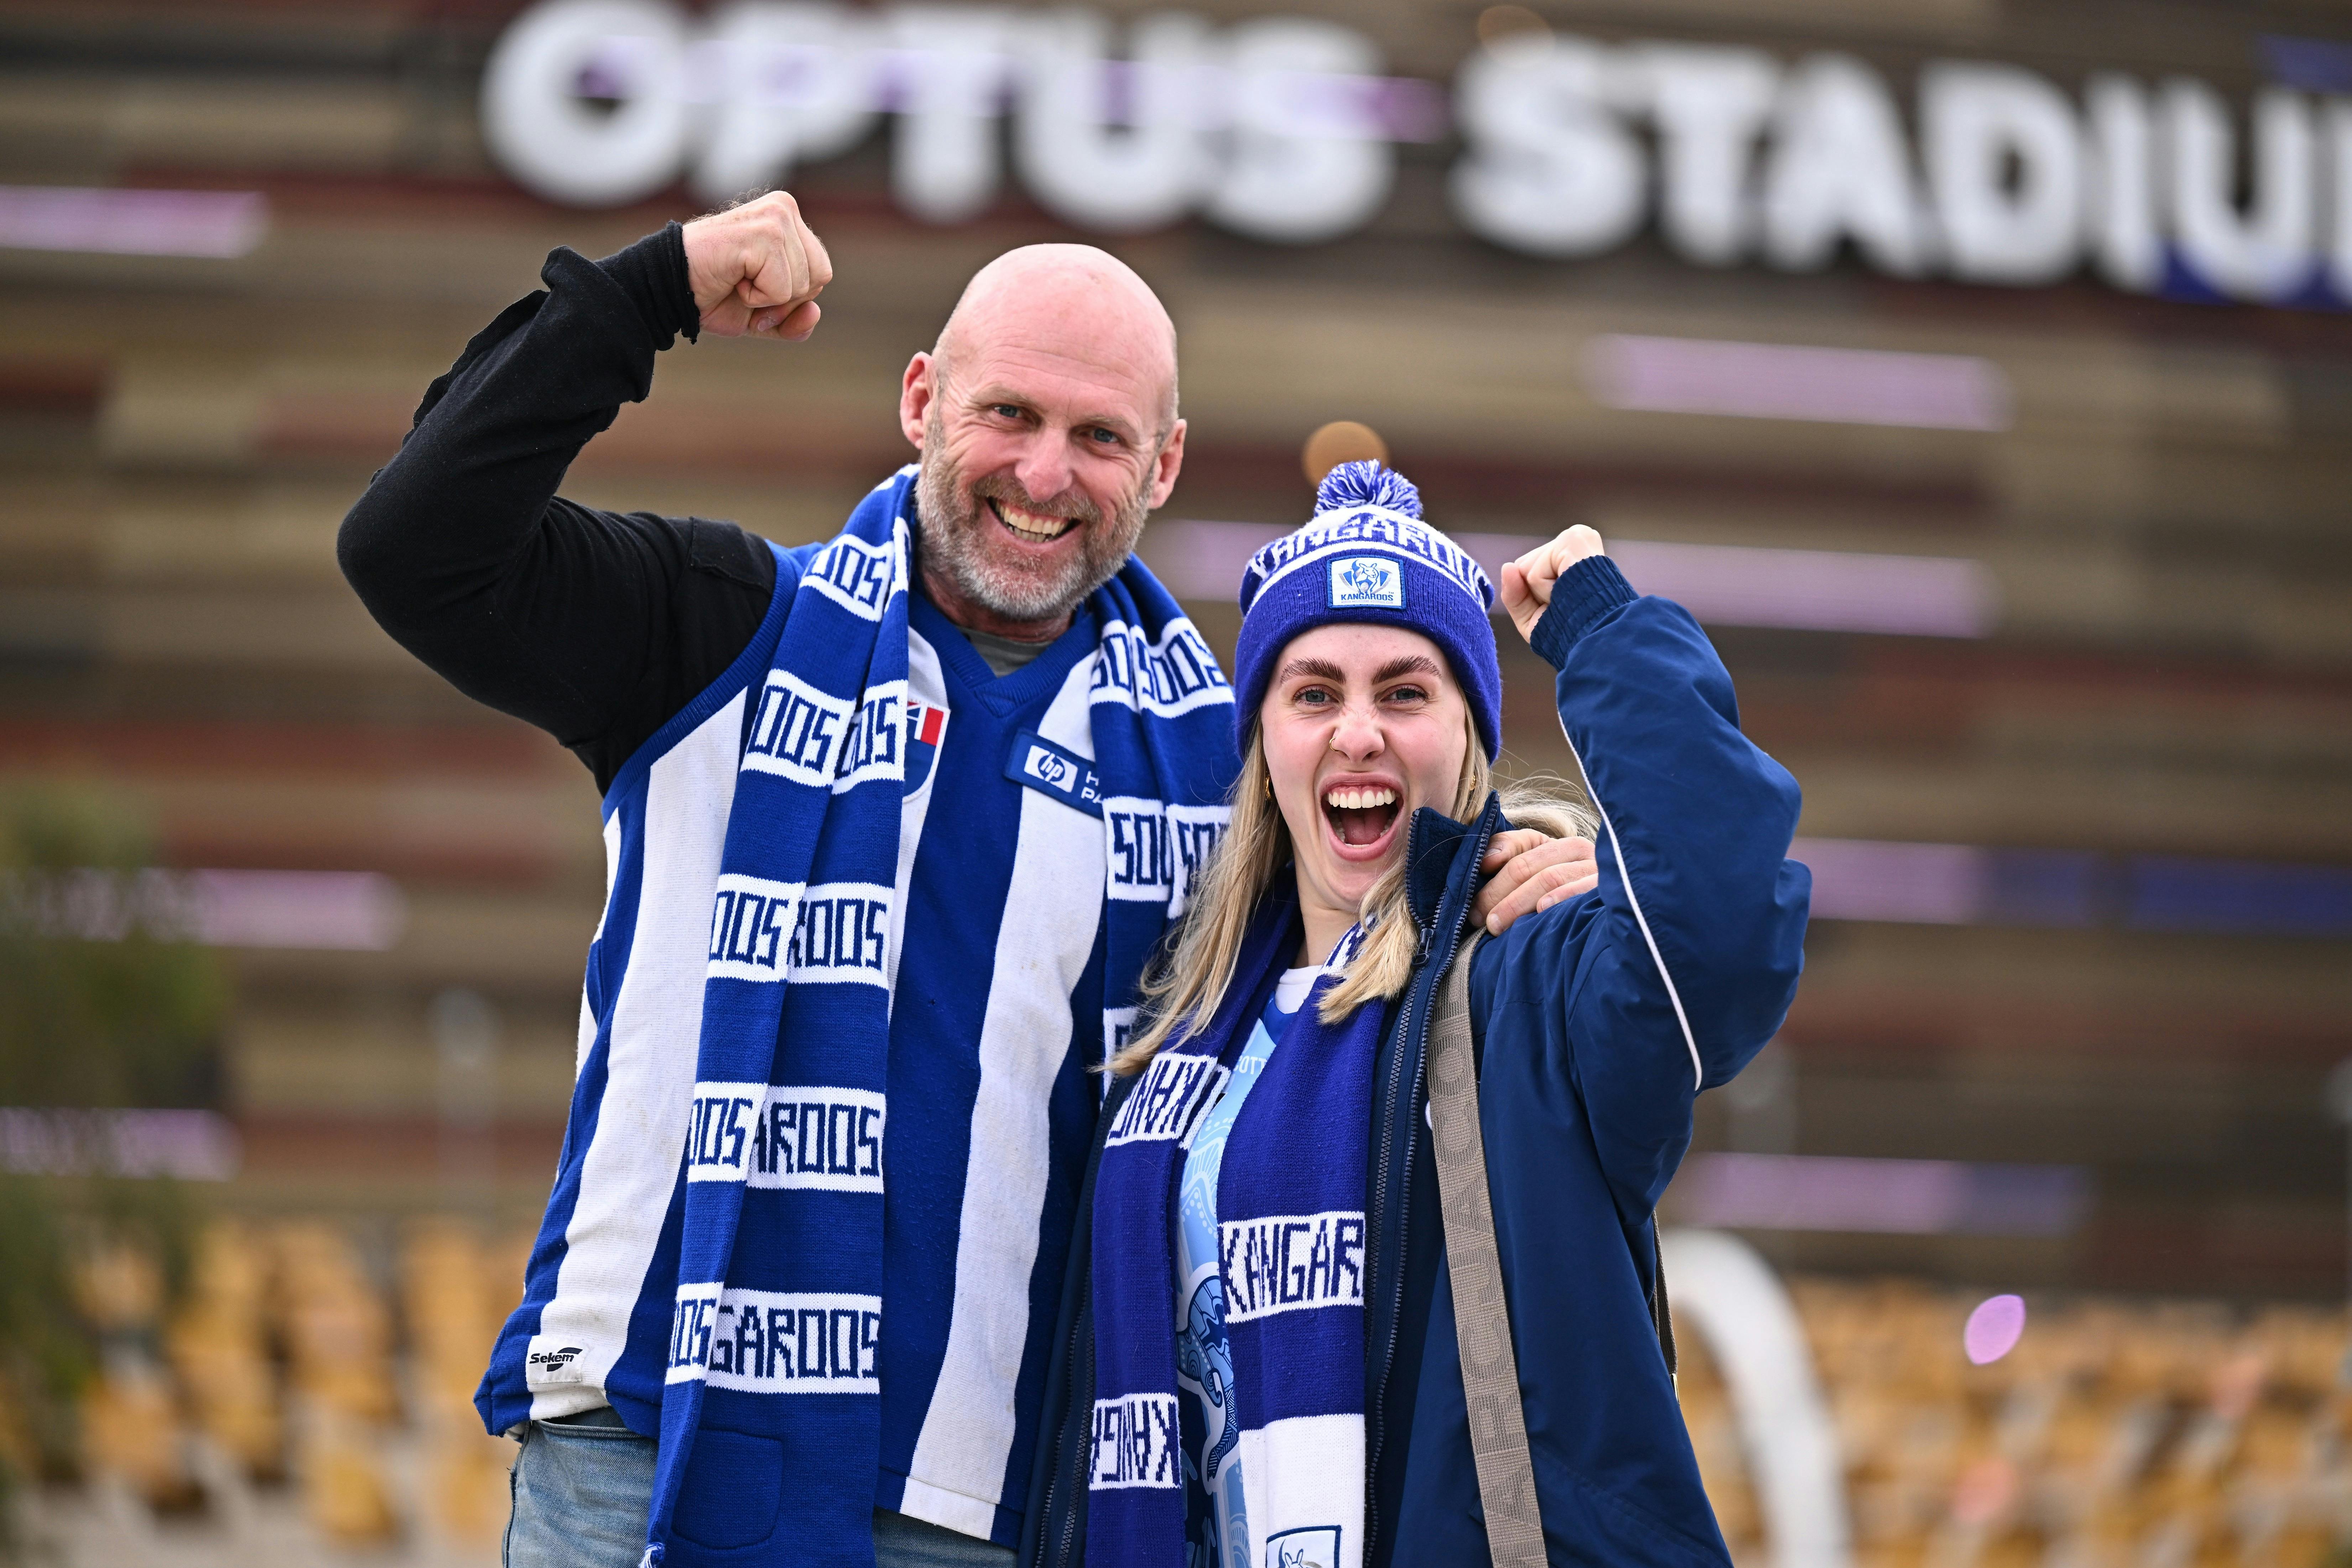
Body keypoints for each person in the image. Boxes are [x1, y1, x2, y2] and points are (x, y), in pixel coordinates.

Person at [335, 193, 1594, 1568]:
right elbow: (413, 547)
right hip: (641, 1453)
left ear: (1162, 466)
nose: (1046, 474)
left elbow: (1365, 951)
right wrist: (650, 291)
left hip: (986, 1514)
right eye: (1009, 414)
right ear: (921, 399)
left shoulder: (1215, 770)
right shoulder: (717, 633)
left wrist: (1505, 881)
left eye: (1099, 437)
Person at [1020, 462, 1811, 1568]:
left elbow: (1722, 929)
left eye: (1404, 691)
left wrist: (1607, 633)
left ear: (1466, 736)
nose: (1357, 734)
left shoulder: (1532, 980)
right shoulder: (1179, 1037)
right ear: (1263, 749)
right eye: (1312, 693)